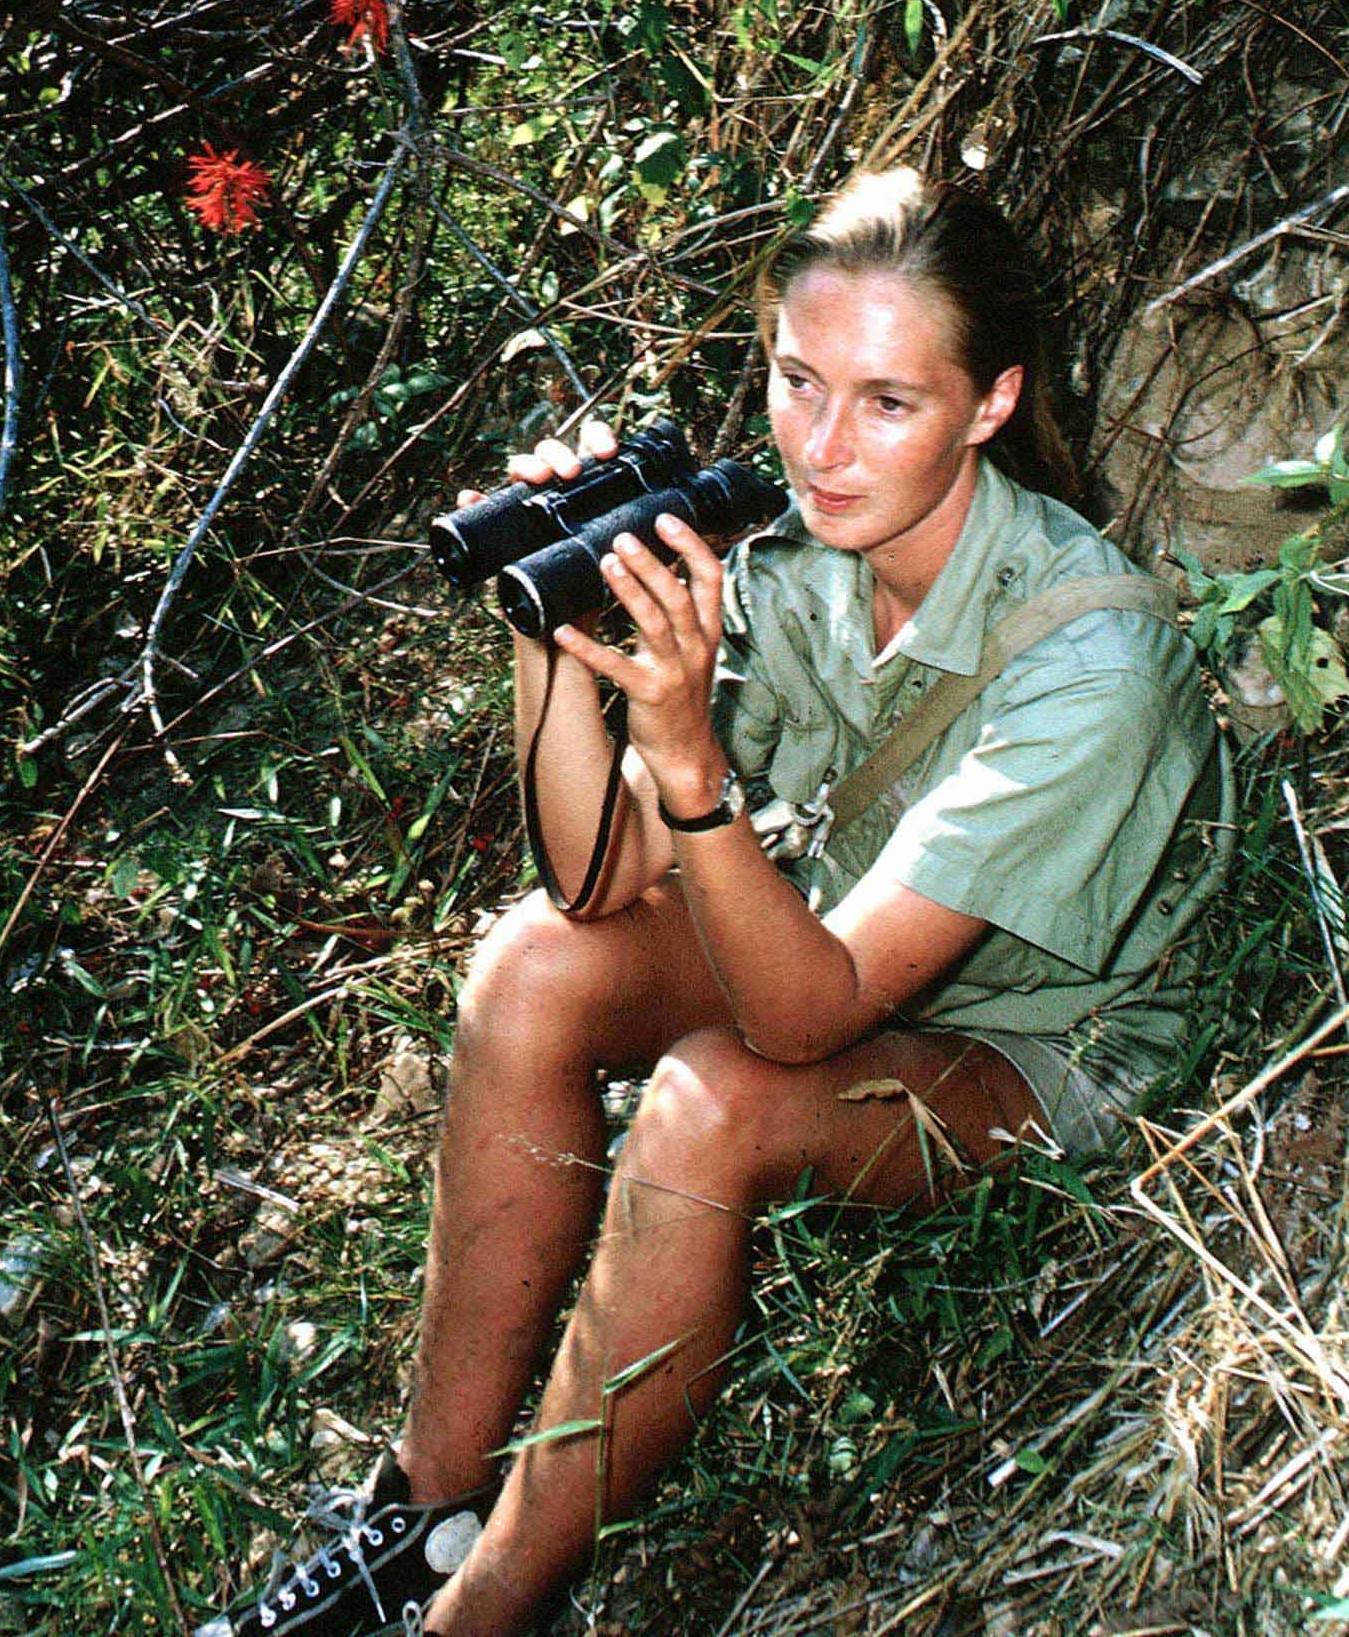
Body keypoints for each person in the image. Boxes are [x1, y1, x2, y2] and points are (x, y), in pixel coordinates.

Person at [199, 168, 1232, 1637]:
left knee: (712, 1100)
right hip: (837, 936)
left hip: (1036, 1043)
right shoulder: (800, 557)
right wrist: (555, 631)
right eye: (797, 381)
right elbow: (599, 881)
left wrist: (686, 759)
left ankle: (484, 1609)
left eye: (886, 403)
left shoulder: (1091, 666)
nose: (819, 447)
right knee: (531, 968)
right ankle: (410, 1522)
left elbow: (800, 1022)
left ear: (991, 405)